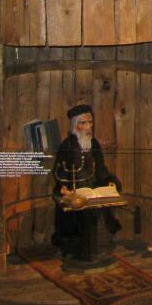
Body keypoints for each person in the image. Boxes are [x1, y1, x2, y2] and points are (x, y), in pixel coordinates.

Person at [51, 104, 122, 256]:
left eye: (90, 122)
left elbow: (100, 167)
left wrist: (108, 180)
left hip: (93, 187)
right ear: (75, 126)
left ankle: (98, 246)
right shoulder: (67, 146)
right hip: (73, 189)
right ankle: (76, 249)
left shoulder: (94, 143)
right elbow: (59, 171)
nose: (88, 127)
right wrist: (63, 186)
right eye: (83, 123)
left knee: (99, 206)